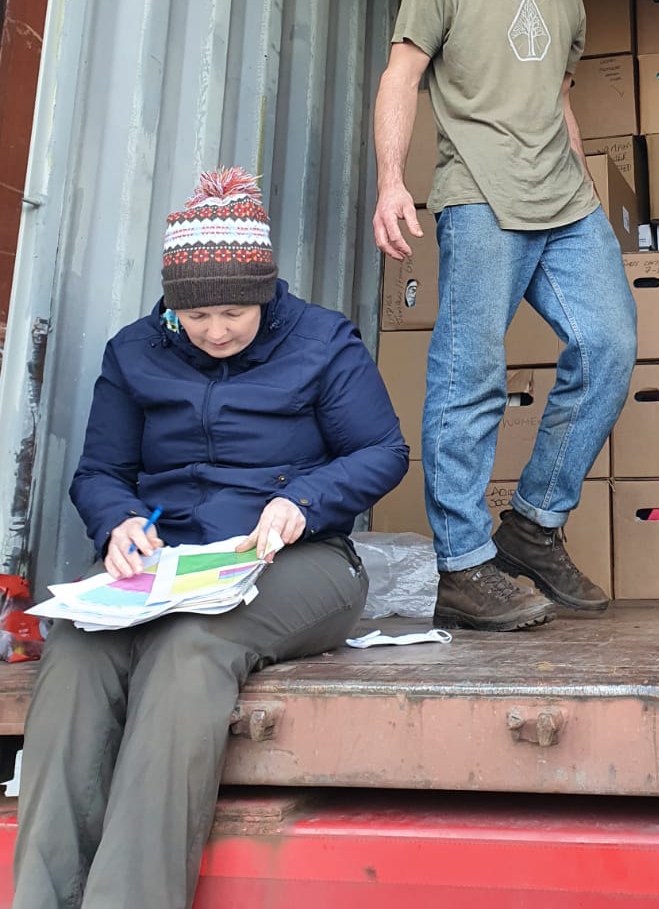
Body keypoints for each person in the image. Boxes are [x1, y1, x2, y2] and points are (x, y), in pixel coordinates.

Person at [14, 168, 408, 909]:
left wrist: (304, 499)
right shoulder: (134, 352)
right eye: (194, 317)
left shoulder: (322, 342)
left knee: (188, 646)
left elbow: (382, 452)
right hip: (167, 564)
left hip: (297, 561)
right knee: (75, 648)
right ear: (171, 307)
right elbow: (100, 471)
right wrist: (118, 522)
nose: (216, 330)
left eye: (233, 311)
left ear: (265, 291)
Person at [373, 0, 637, 632]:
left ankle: (532, 526)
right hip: (480, 195)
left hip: (566, 202)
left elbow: (559, 102)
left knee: (609, 346)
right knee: (469, 371)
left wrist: (590, 190)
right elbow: (401, 73)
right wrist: (391, 182)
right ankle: (461, 564)